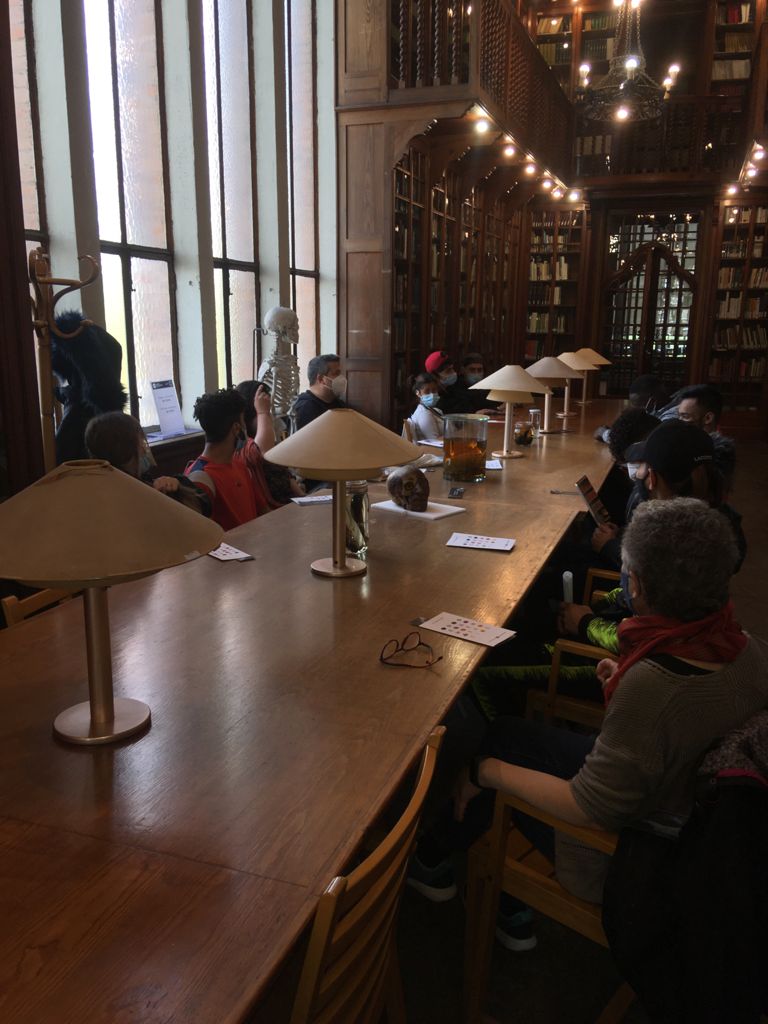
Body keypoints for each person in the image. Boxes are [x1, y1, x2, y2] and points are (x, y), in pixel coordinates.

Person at [410, 498, 768, 956]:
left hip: (630, 859)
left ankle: (476, 876)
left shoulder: (654, 688)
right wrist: (624, 683)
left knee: (494, 761)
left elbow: (588, 809)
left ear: (637, 584)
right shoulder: (750, 650)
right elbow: (681, 722)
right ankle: (454, 864)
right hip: (689, 818)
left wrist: (486, 772)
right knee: (507, 734)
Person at [84, 411, 211, 517]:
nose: (145, 450)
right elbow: (202, 511)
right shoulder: (138, 496)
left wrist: (177, 483)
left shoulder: (91, 490)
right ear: (125, 451)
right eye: (140, 443)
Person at [185, 389, 274, 530]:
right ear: (237, 429)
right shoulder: (200, 479)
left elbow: (264, 512)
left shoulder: (241, 466)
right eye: (243, 422)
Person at [235, 380, 304, 504]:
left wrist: (303, 496)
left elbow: (286, 474)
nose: (269, 418)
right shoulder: (244, 448)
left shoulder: (271, 443)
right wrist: (263, 413)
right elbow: (262, 451)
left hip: (291, 503)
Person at [675, 383, 736, 493]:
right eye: (679, 416)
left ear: (708, 418)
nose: (679, 422)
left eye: (685, 416)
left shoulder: (717, 452)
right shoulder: (692, 441)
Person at [292, 354, 347, 431]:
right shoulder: (304, 409)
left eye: (340, 374)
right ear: (321, 379)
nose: (342, 378)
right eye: (336, 373)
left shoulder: (340, 405)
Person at [407, 372, 444, 440]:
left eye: (434, 390)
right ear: (418, 393)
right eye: (427, 391)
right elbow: (435, 441)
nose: (432, 394)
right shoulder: (423, 413)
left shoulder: (434, 410)